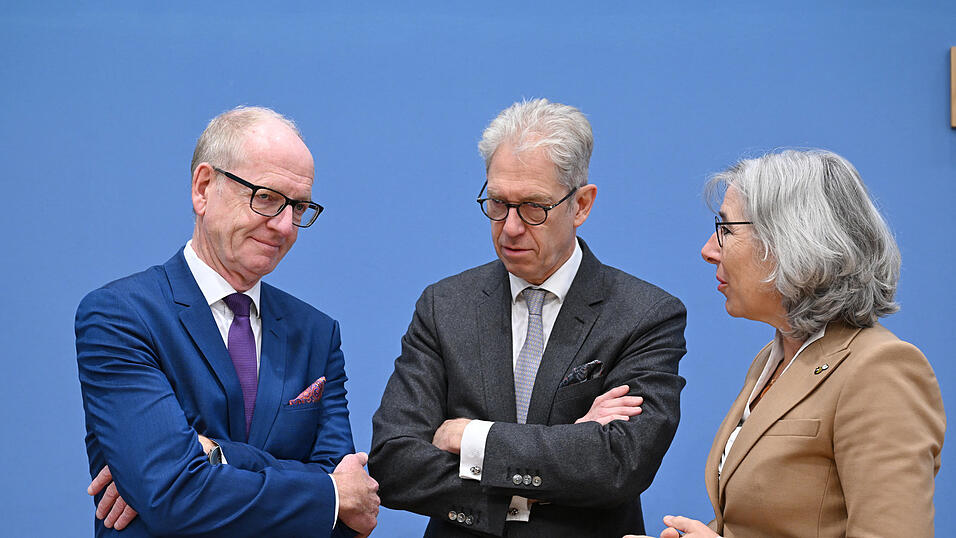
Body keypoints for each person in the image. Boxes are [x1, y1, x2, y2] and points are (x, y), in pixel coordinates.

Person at [369, 98, 687, 537]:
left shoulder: (644, 314)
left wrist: (473, 439)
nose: (511, 227)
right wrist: (549, 468)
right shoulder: (445, 305)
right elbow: (395, 461)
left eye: (534, 207)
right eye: (498, 203)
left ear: (581, 205)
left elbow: (618, 464)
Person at [76, 106, 379, 537]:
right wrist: (325, 494)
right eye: (267, 198)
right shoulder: (120, 316)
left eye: (299, 207)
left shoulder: (317, 333)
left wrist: (214, 455)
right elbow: (174, 495)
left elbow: (349, 519)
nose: (284, 226)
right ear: (203, 188)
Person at [632, 149, 946, 538]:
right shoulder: (774, 356)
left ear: (794, 241)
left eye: (726, 230)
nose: (708, 249)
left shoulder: (880, 369)